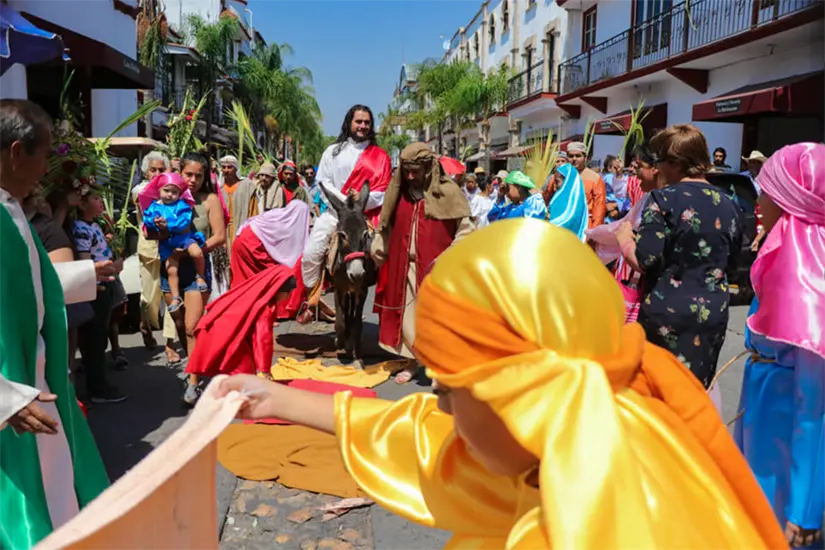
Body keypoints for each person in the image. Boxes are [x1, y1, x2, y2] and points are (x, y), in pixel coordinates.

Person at [218, 218, 787, 550]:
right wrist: (275, 398)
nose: (439, 410)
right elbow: (422, 435)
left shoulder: (613, 519)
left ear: (520, 391)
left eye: (445, 390)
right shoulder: (573, 433)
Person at [0, 100, 110, 548]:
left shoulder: (10, 209)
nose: (46, 169)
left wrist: (87, 274)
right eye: (44, 155)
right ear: (15, 153)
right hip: (13, 401)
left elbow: (23, 290)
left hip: (33, 387)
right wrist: (4, 398)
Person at [735, 142, 825, 549]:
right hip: (764, 415)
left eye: (768, 192)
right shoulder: (786, 255)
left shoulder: (809, 279)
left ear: (791, 200)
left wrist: (805, 506)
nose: (759, 201)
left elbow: (815, 403)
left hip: (784, 436)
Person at [616, 125, 743, 387]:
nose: (658, 168)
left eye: (659, 161)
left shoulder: (662, 200)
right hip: (712, 314)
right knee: (694, 392)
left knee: (660, 393)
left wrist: (624, 239)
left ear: (674, 163)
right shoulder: (729, 203)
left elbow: (646, 260)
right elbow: (732, 266)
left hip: (666, 314)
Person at [371, 143, 473, 384]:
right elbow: (386, 226)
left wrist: (448, 257)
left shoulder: (449, 192)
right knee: (406, 318)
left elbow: (466, 231)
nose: (410, 176)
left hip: (437, 270)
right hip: (404, 267)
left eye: (415, 171)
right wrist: (378, 249)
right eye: (406, 171)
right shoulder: (399, 194)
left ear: (428, 168)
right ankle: (411, 363)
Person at [188, 201, 309, 379]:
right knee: (244, 378)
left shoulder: (250, 296)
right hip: (221, 339)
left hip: (213, 332)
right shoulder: (265, 307)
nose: (287, 297)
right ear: (277, 289)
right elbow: (263, 337)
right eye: (288, 293)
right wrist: (265, 371)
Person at [299, 105, 392, 323]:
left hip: (367, 215)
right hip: (335, 213)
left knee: (387, 254)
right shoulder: (332, 152)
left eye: (367, 122)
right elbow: (323, 182)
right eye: (358, 121)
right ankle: (312, 301)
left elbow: (385, 190)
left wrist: (361, 200)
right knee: (311, 253)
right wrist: (345, 203)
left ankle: (389, 305)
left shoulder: (381, 157)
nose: (362, 126)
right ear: (349, 123)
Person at [147, 153, 226, 405]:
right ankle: (195, 363)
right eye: (188, 174)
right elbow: (148, 234)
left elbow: (220, 236)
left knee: (192, 326)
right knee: (179, 323)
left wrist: (194, 250)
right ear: (179, 173)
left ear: (205, 177)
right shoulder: (165, 196)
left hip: (196, 269)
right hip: (170, 267)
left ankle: (193, 382)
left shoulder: (210, 200)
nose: (193, 180)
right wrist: (159, 228)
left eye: (198, 176)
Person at [72, 189, 128, 403]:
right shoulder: (80, 229)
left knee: (100, 334)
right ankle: (97, 387)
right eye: (95, 198)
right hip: (96, 288)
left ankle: (98, 381)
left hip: (105, 284)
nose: (101, 201)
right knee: (94, 338)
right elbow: (86, 262)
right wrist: (112, 268)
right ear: (82, 204)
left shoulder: (94, 226)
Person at [131, 151, 180, 364]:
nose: (158, 173)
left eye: (162, 169)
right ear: (146, 172)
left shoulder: (172, 189)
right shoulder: (140, 190)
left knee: (171, 295)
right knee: (149, 299)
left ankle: (170, 343)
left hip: (170, 249)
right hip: (148, 250)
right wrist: (168, 177)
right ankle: (146, 324)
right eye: (154, 170)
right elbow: (148, 198)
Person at [140, 173, 208, 313]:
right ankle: (176, 298)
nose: (170, 195)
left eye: (174, 192)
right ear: (159, 190)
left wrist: (168, 225)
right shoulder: (154, 207)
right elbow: (147, 220)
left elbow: (184, 221)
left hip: (184, 239)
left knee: (197, 252)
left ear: (179, 194)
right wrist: (154, 222)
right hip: (168, 244)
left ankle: (200, 276)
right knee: (171, 270)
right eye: (166, 190)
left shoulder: (181, 205)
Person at [218, 155, 254, 252]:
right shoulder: (218, 189)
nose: (226, 170)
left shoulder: (247, 186)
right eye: (224, 167)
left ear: (236, 169)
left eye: (230, 167)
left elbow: (253, 213)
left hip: (242, 230)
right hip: (223, 232)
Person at [566, 141, 607, 227]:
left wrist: (594, 230)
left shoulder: (594, 178)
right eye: (571, 156)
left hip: (584, 224)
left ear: (585, 158)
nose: (574, 159)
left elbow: (599, 207)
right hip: (564, 224)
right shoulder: (560, 176)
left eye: (578, 156)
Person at [546, 163, 588, 240]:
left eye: (557, 182)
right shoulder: (559, 195)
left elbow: (568, 220)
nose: (555, 185)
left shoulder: (575, 201)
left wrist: (549, 223)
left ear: (567, 181)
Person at [602, 154, 630, 222]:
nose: (618, 169)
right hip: (610, 203)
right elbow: (618, 187)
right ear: (609, 168)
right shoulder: (608, 177)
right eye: (616, 167)